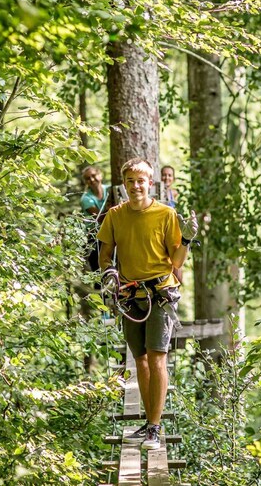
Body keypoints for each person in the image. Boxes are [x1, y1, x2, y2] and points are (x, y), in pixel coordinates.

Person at [98, 158, 197, 450]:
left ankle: (155, 427)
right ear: (124, 185)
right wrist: (110, 273)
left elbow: (176, 261)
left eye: (141, 181)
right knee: (139, 358)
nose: (136, 186)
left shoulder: (166, 215)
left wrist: (188, 239)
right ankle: (148, 423)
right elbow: (105, 254)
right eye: (130, 181)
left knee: (157, 358)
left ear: (150, 183)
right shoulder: (115, 216)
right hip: (130, 295)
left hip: (160, 294)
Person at [80, 166, 109, 272]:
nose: (91, 180)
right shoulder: (86, 199)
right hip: (94, 235)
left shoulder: (110, 189)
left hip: (112, 232)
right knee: (97, 264)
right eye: (88, 178)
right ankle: (98, 287)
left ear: (100, 175)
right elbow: (99, 217)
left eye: (93, 176)